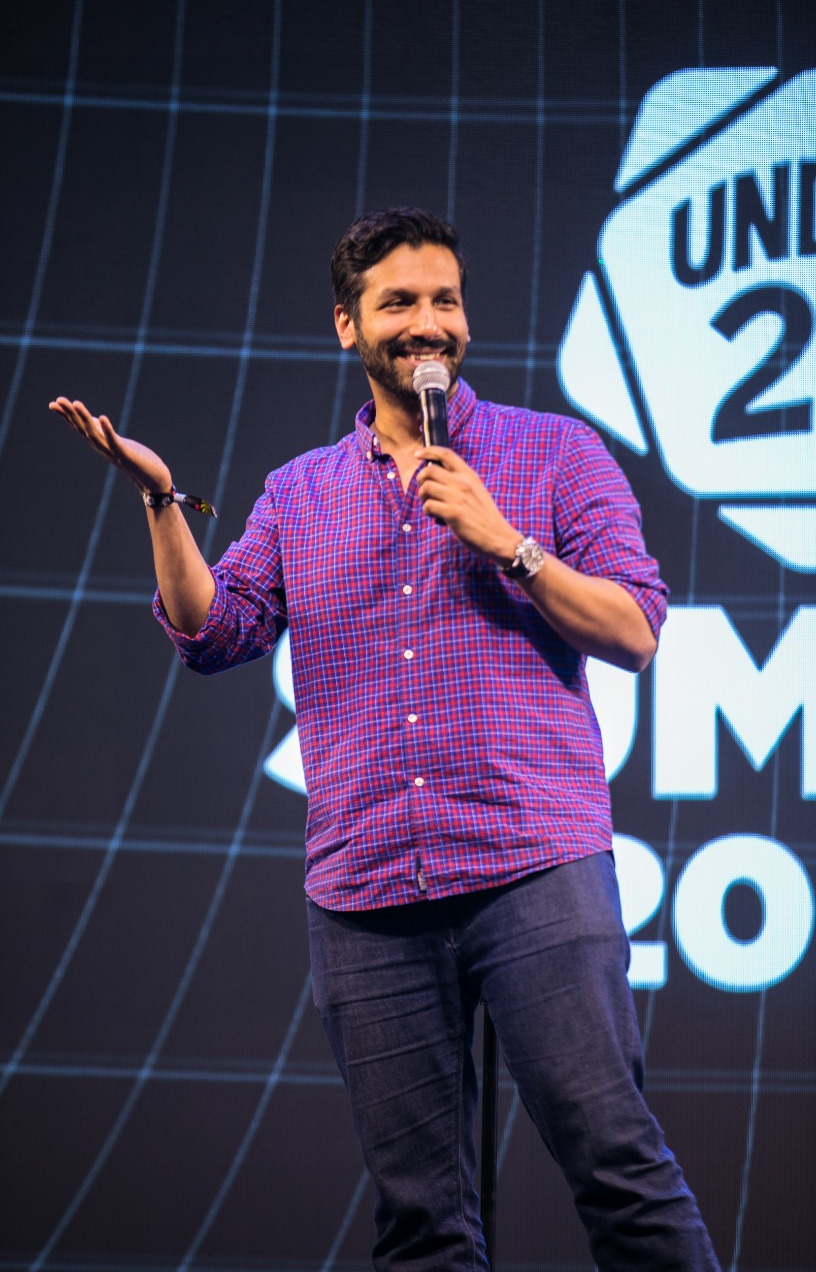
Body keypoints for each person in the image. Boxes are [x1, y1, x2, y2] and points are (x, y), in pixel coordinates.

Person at [51, 207, 720, 1271]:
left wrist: (506, 541)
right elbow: (213, 634)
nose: (427, 323)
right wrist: (163, 500)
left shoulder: (555, 453)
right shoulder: (298, 493)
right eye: (398, 302)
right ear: (347, 325)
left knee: (617, 1165)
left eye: (443, 300)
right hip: (366, 897)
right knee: (420, 1220)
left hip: (533, 868)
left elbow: (634, 631)